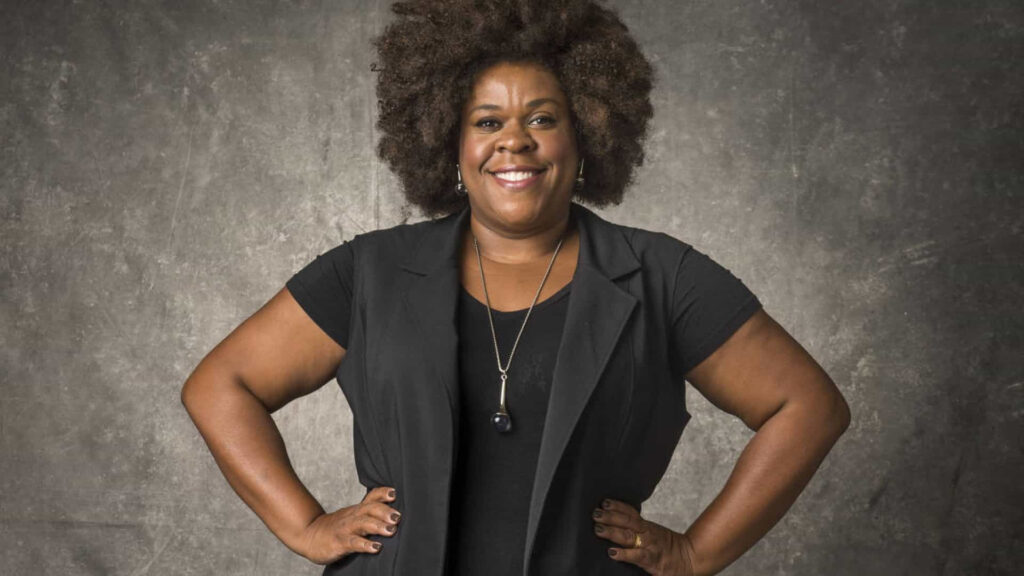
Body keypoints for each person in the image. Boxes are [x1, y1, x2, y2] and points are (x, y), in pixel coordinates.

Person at [181, 1, 851, 575]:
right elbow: (219, 386)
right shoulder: (369, 272)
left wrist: (697, 551)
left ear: (585, 135)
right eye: (486, 121)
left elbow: (808, 406)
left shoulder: (662, 276)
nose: (514, 142)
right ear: (449, 143)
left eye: (542, 119)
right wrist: (304, 525)